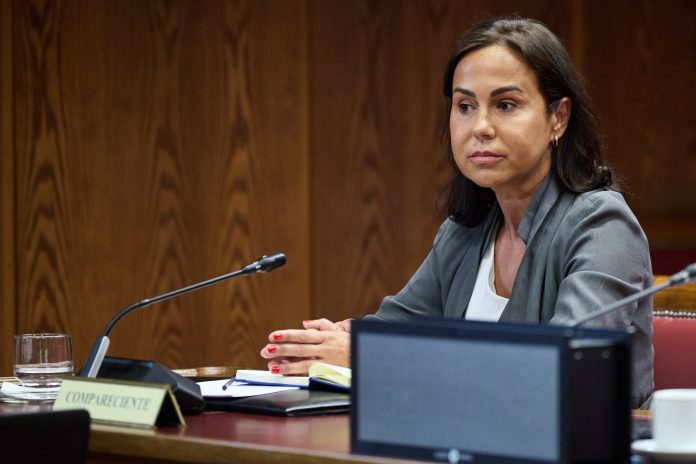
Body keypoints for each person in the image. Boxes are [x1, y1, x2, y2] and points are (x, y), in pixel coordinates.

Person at [260, 17, 653, 408]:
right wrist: (334, 342)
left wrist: (372, 354)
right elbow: (399, 328)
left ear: (558, 118)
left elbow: (560, 370)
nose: (480, 127)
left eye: (505, 105)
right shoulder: (465, 232)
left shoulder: (602, 227)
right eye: (465, 106)